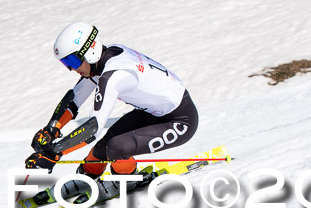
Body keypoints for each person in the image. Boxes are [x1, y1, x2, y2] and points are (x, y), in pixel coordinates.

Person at [25, 22, 199, 180]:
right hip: (153, 113)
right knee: (100, 150)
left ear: (89, 51)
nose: (71, 68)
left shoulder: (114, 75)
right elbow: (75, 99)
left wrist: (54, 153)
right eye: (65, 63)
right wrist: (51, 130)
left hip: (180, 121)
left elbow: (93, 128)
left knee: (117, 148)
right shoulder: (104, 59)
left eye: (72, 61)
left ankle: (127, 180)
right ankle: (88, 177)